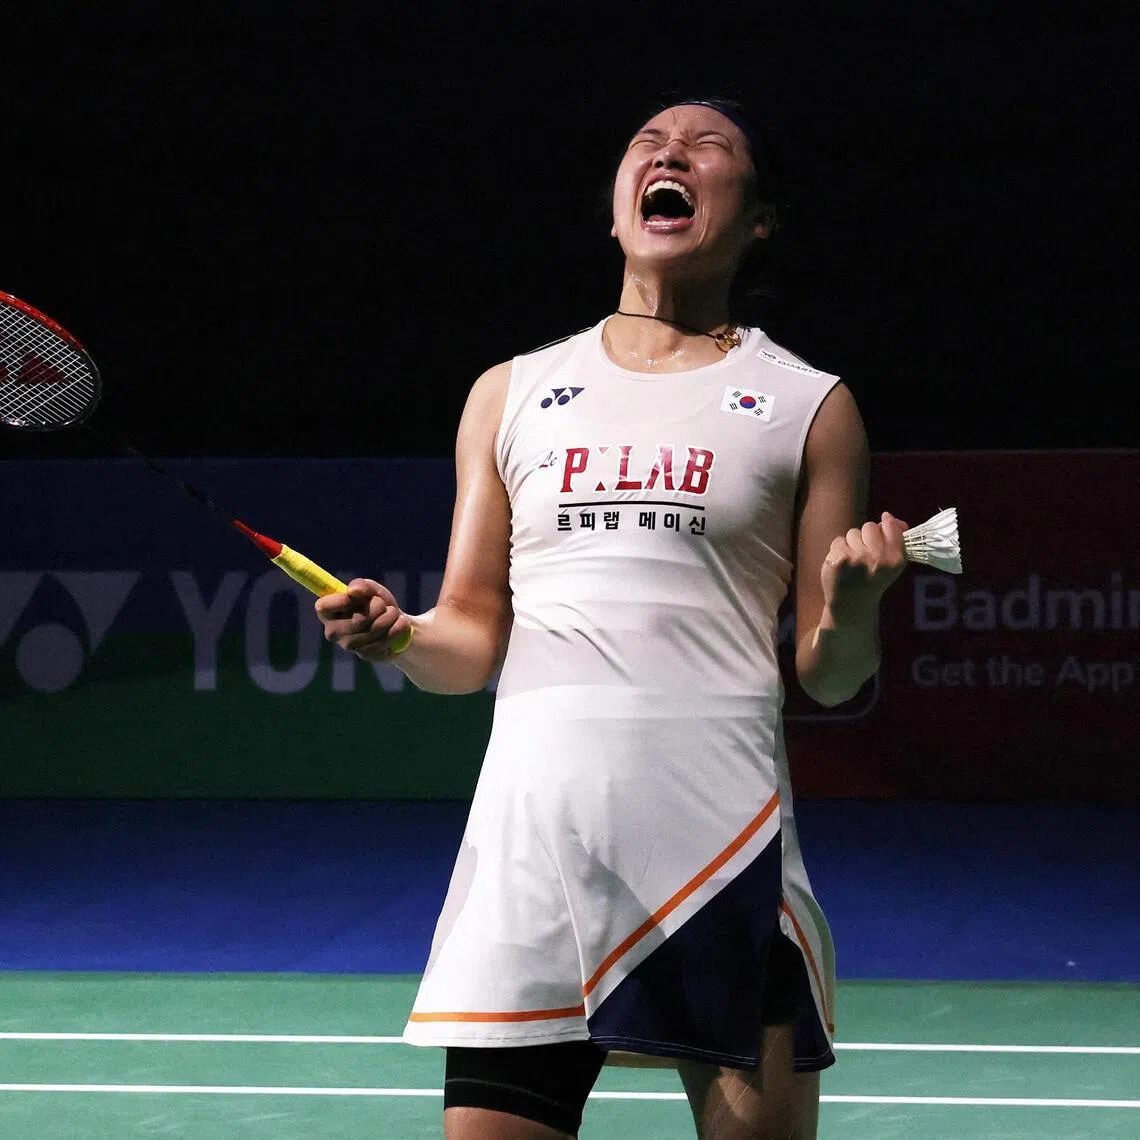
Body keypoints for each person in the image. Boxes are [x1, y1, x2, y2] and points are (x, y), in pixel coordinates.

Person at [316, 97, 910, 1140]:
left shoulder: (806, 403)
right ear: (616, 209)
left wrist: (855, 607)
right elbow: (466, 642)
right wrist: (402, 635)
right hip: (536, 835)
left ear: (759, 216)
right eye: (649, 142)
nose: (671, 152)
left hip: (721, 841)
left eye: (709, 144)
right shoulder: (510, 393)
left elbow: (830, 672)